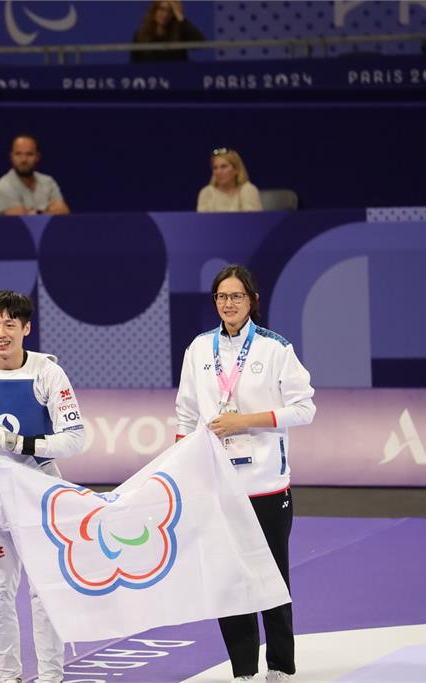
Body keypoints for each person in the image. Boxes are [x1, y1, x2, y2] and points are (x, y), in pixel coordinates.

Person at [174, 264, 315, 682]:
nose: (229, 304)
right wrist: (185, 469)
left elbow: (304, 408)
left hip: (266, 486)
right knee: (228, 584)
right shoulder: (199, 349)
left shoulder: (276, 349)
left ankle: (281, 668)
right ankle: (243, 673)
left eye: (236, 296)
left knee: (271, 579)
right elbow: (185, 412)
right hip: (218, 487)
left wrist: (246, 421)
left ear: (252, 299)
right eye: (221, 297)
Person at [0, 290, 86, 683]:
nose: (1, 332)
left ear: (27, 328)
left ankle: (51, 677)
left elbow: (75, 439)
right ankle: (8, 678)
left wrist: (20, 444)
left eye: (10, 324)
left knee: (44, 593)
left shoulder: (48, 373)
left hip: (41, 500)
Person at [0, 134, 70, 216]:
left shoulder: (48, 182)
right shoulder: (3, 186)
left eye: (29, 154)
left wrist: (32, 212)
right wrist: (46, 211)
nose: (24, 160)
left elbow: (63, 211)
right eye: (18, 154)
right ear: (11, 157)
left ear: (38, 157)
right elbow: (21, 220)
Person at [130, 0, 204, 63]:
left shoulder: (180, 34)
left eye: (170, 12)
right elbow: (134, 66)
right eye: (162, 9)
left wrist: (181, 18)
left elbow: (199, 44)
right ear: (154, 11)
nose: (165, 14)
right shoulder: (140, 36)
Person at [197, 148, 263, 213]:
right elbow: (203, 222)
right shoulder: (206, 193)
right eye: (215, 168)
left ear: (236, 169)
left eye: (224, 166)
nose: (218, 172)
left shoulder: (248, 190)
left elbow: (253, 220)